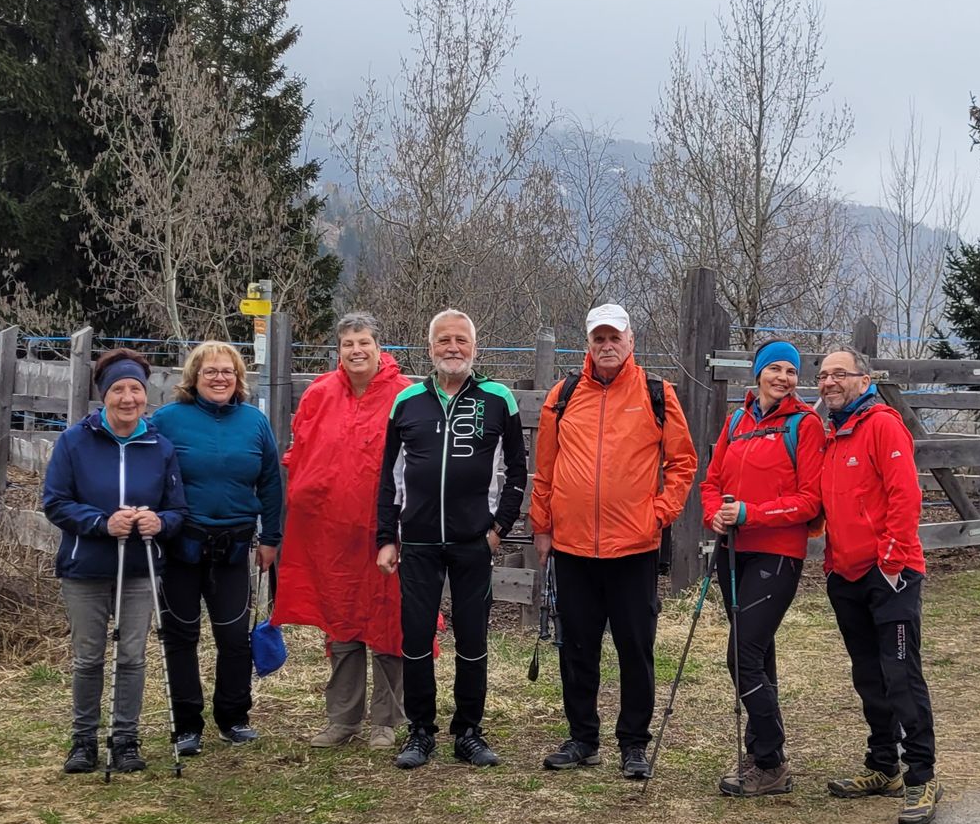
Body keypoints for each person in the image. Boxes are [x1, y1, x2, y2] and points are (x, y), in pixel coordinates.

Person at [531, 303, 697, 779]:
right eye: (598, 339)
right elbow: (544, 470)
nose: (607, 346)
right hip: (573, 548)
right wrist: (542, 527)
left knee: (635, 647)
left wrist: (658, 514)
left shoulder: (656, 394)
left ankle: (634, 744)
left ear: (630, 342)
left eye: (614, 338)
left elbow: (682, 465)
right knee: (577, 647)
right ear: (588, 343)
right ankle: (583, 739)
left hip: (634, 549)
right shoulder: (562, 396)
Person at [376, 309, 527, 770]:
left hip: (472, 543)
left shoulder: (498, 399)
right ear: (430, 348)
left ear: (474, 348)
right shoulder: (407, 402)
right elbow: (388, 477)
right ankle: (421, 731)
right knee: (417, 638)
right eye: (443, 340)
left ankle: (468, 730)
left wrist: (498, 528)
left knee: (473, 638)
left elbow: (518, 471)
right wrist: (387, 536)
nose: (452, 348)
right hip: (418, 542)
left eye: (461, 340)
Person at [43, 348, 187, 775]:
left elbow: (178, 510)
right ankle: (84, 739)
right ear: (104, 395)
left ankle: (126, 738)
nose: (128, 398)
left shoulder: (159, 447)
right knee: (88, 657)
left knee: (132, 656)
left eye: (136, 389)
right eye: (119, 389)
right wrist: (102, 523)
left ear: (146, 395)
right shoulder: (74, 441)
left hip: (140, 567)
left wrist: (158, 521)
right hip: (85, 565)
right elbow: (56, 503)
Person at [272, 312, 412, 750]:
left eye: (364, 342)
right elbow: (301, 455)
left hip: (385, 531)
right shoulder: (319, 395)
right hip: (330, 533)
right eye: (348, 343)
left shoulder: (404, 395)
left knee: (388, 620)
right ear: (339, 350)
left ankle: (386, 721)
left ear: (379, 346)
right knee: (342, 622)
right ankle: (343, 718)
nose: (356, 350)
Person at [816, 345, 941, 824]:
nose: (829, 382)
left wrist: (889, 560)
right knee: (868, 673)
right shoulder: (832, 433)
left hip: (889, 573)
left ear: (863, 379)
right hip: (844, 574)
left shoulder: (882, 424)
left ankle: (922, 774)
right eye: (824, 375)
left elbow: (905, 495)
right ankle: (883, 765)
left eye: (839, 374)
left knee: (899, 674)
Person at [701, 339, 825, 796]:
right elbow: (711, 482)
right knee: (759, 653)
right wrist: (715, 513)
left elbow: (811, 500)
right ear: (756, 373)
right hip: (733, 550)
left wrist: (751, 513)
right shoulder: (736, 420)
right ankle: (761, 755)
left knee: (742, 654)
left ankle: (771, 757)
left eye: (790, 372)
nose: (783, 378)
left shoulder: (805, 425)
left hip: (777, 553)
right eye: (774, 368)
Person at [150, 341, 283, 755]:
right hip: (182, 544)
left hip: (235, 544)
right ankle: (186, 725)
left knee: (234, 637)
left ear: (239, 377)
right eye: (211, 371)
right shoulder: (168, 420)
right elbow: (148, 472)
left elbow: (271, 483)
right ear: (194, 377)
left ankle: (234, 717)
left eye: (227, 371)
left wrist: (272, 538)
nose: (220, 378)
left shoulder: (254, 422)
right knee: (180, 635)